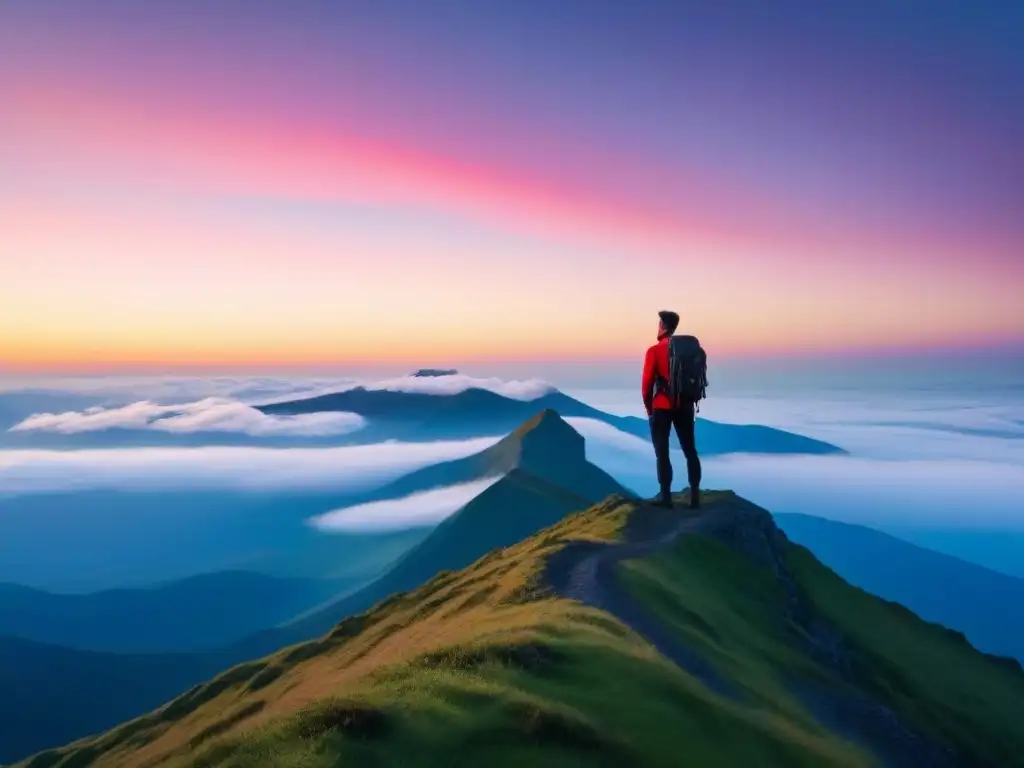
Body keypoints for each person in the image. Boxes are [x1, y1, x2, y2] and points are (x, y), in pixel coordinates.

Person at [642, 310, 702, 509]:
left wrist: (649, 408)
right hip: (685, 405)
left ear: (662, 325)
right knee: (690, 450)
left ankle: (666, 497)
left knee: (662, 452)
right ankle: (694, 496)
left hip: (662, 406)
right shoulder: (690, 350)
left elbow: (647, 384)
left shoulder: (654, 351)